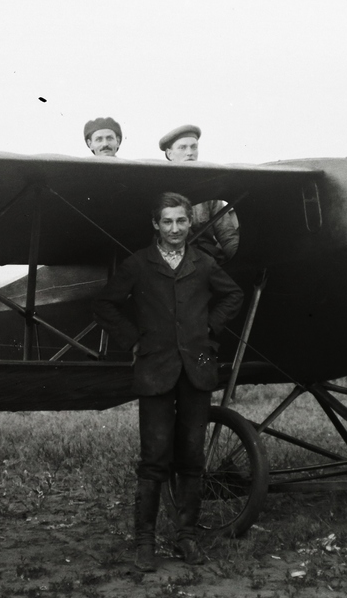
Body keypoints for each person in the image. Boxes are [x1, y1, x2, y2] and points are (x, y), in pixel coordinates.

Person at [93, 191, 244, 571]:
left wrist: (209, 328)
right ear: (155, 225)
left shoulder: (204, 263)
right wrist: (134, 339)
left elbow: (234, 295)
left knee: (191, 457)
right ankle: (144, 541)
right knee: (155, 458)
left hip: (198, 367)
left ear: (190, 223)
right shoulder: (138, 264)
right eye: (167, 222)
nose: (174, 229)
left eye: (181, 221)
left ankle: (186, 537)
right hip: (155, 370)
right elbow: (105, 304)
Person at [158, 124, 241, 262]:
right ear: (169, 154)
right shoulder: (159, 189)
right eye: (182, 147)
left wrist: (241, 262)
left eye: (193, 147)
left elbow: (227, 236)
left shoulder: (211, 191)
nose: (190, 152)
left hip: (208, 259)